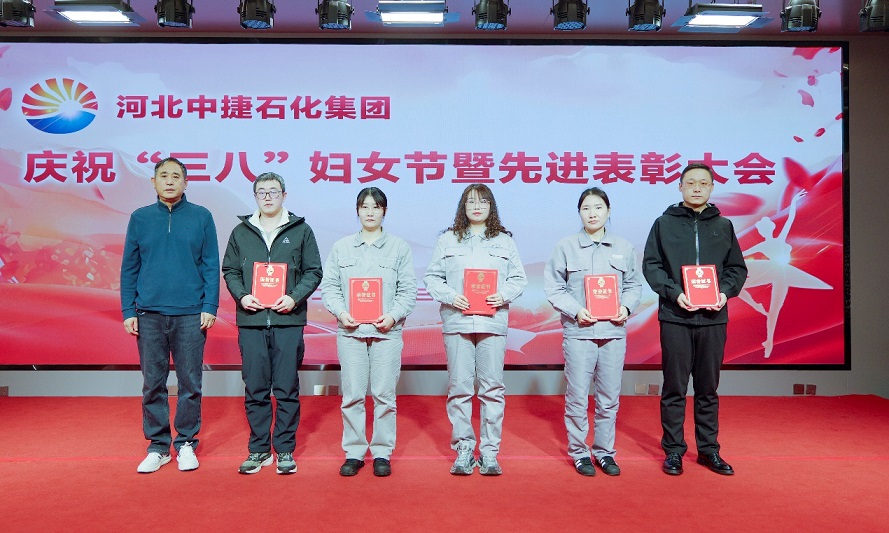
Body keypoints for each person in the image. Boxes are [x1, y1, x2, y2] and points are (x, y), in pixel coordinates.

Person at [642, 163, 748, 476]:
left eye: (703, 183)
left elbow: (737, 269)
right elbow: (652, 266)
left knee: (707, 388)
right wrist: (675, 294)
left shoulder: (724, 225)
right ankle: (674, 451)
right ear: (680, 187)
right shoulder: (663, 224)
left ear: (712, 188)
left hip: (714, 318)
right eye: (691, 183)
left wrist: (724, 293)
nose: (697, 188)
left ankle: (708, 450)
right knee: (674, 387)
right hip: (675, 316)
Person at [121, 157, 219, 474]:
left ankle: (186, 442)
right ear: (153, 182)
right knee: (153, 384)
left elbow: (210, 265)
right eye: (163, 175)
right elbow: (129, 267)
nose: (169, 181)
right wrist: (128, 310)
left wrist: (210, 306)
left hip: (191, 314)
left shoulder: (202, 217)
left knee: (190, 383)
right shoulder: (140, 218)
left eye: (176, 176)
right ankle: (158, 446)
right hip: (148, 314)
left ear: (185, 182)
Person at [221, 172, 323, 475]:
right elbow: (229, 270)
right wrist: (242, 296)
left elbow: (313, 271)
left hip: (288, 320)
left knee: (286, 387)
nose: (267, 197)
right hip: (251, 321)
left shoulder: (301, 230)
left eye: (273, 191)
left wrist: (294, 297)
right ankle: (259, 449)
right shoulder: (241, 232)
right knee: (255, 388)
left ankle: (285, 449)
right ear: (255, 197)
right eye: (262, 192)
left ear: (284, 195)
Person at [423, 184, 527, 476]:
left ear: (491, 206)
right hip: (457, 322)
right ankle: (464, 450)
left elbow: (519, 279)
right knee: (459, 387)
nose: (477, 206)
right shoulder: (447, 240)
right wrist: (450, 296)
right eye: (471, 202)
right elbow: (432, 278)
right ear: (463, 207)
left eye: (483, 202)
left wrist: (503, 295)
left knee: (492, 388)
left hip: (492, 322)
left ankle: (490, 452)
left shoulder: (504, 241)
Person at [544, 188, 643, 477]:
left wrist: (626, 307)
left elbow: (634, 285)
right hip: (579, 331)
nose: (592, 213)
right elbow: (554, 287)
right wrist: (576, 310)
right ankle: (579, 453)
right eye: (586, 208)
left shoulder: (623, 247)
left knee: (609, 397)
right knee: (577, 396)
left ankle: (604, 452)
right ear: (579, 213)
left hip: (613, 332)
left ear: (608, 211)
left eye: (598, 207)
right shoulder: (565, 246)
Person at [320, 187, 417, 477]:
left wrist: (393, 315)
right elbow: (330, 288)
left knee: (384, 395)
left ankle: (382, 452)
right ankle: (354, 452)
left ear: (384, 211)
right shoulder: (342, 247)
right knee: (352, 395)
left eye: (376, 207)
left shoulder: (399, 247)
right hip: (351, 332)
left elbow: (408, 291)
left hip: (387, 332)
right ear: (357, 211)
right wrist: (342, 313)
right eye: (365, 207)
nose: (370, 212)